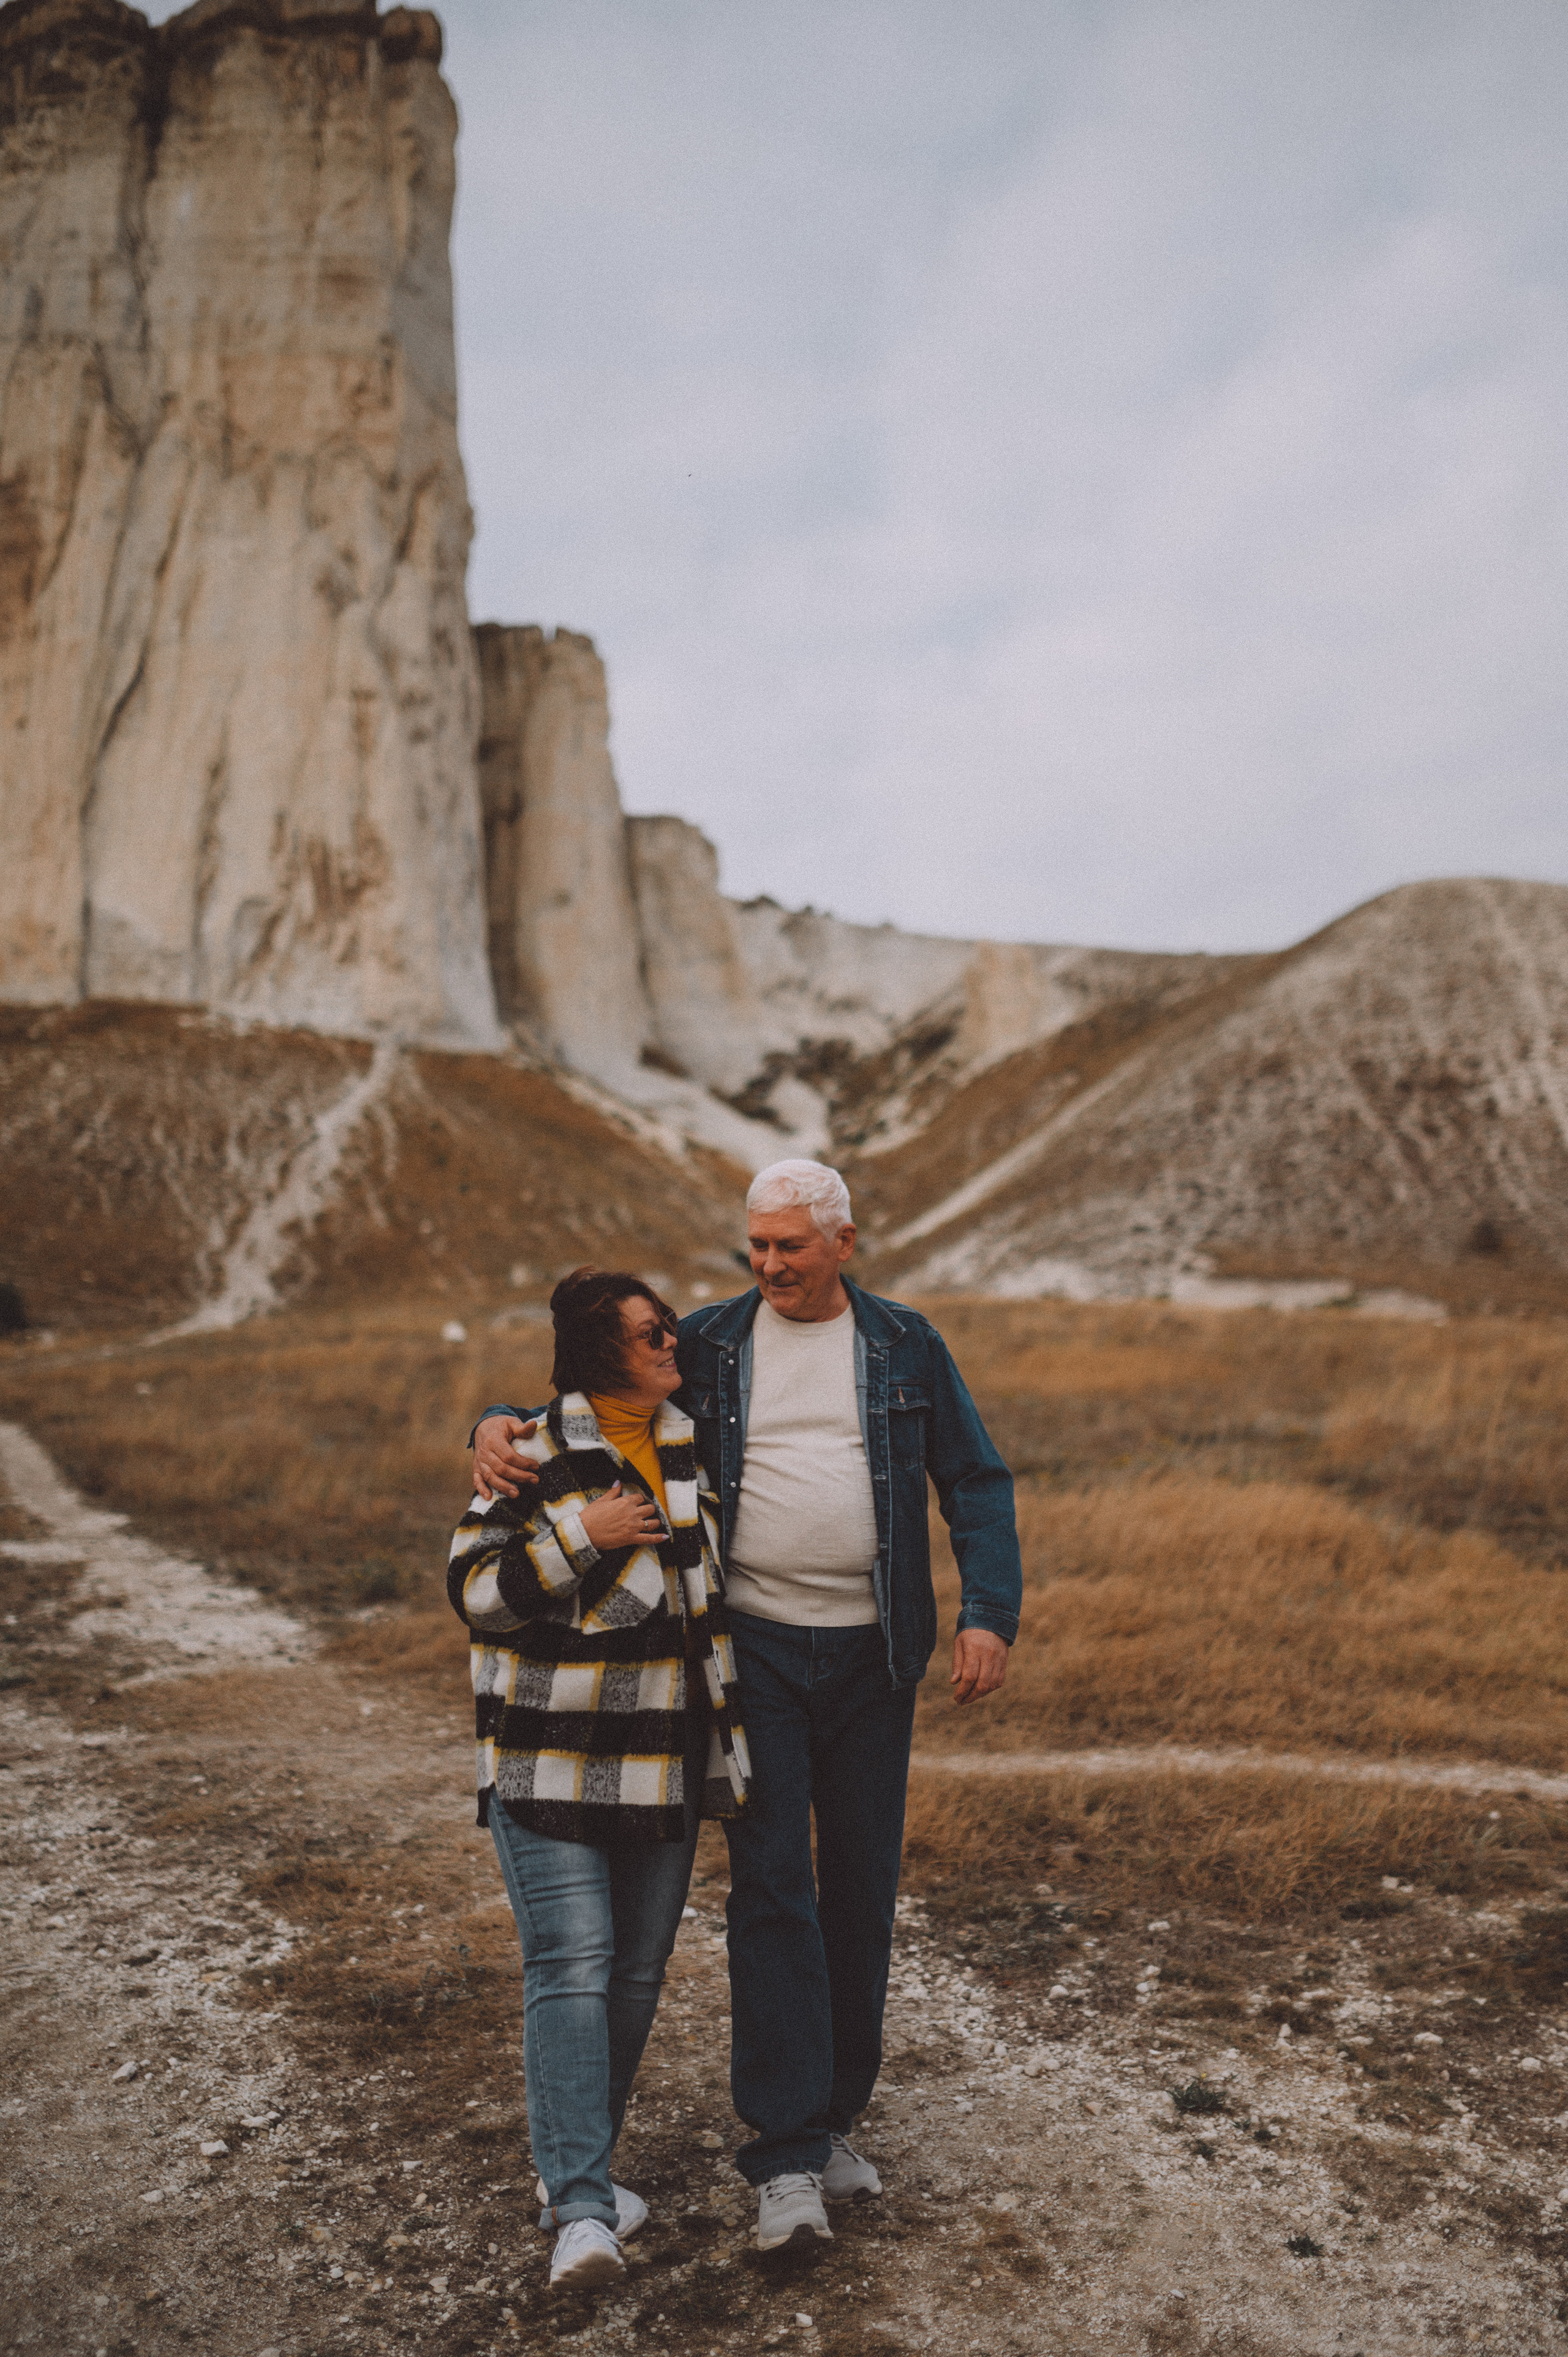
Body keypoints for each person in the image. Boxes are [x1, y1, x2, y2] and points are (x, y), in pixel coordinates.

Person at [471, 1159, 1020, 2254]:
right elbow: (587, 1395)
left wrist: (988, 1612)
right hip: (748, 1657)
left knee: (863, 1893)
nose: (769, 1265)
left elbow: (975, 1480)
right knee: (775, 1892)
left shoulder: (905, 1343)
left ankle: (829, 2123)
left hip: (877, 1658)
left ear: (844, 1244)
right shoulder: (713, 1341)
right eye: (755, 1246)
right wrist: (496, 1423)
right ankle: (782, 2159)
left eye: (790, 1247)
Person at [449, 1266, 750, 2291]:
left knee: (632, 1976)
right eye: (651, 1333)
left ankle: (572, 2172)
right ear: (599, 1354)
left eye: (670, 1329)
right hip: (546, 1761)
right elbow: (478, 1593)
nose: (674, 1344)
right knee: (572, 1965)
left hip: (664, 1766)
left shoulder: (691, 1445)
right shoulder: (529, 1453)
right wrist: (587, 1535)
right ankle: (582, 2212)